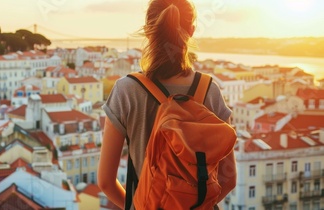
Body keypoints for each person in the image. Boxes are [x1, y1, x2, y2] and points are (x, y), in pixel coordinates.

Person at [97, 0, 237, 209]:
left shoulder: (126, 91)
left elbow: (106, 182)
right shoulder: (210, 90)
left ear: (148, 30)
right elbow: (229, 178)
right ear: (192, 31)